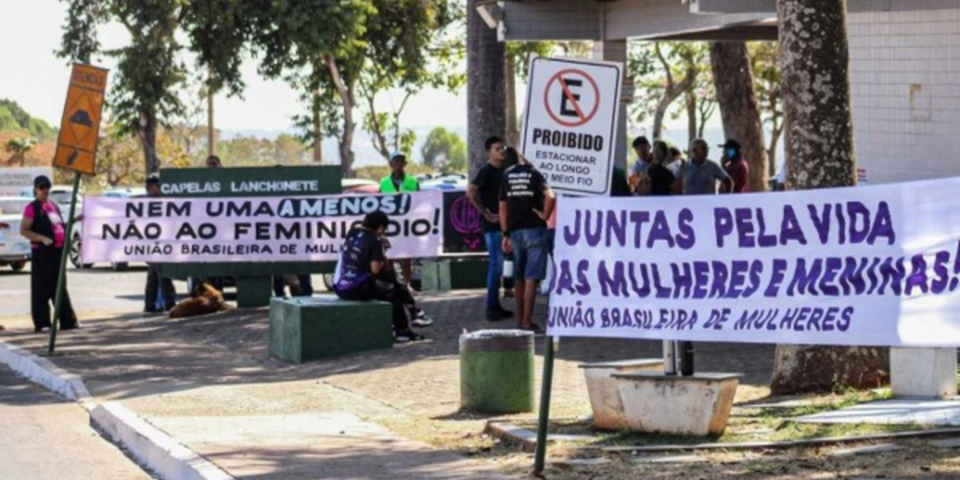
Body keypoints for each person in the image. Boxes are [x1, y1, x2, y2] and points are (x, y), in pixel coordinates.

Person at [332, 212, 427, 343]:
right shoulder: (374, 240)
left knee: (391, 283)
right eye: (384, 229)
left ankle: (413, 314)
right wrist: (383, 250)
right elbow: (375, 269)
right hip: (355, 288)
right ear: (381, 227)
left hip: (339, 286)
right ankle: (403, 329)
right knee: (393, 291)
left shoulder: (352, 232)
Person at [499, 159, 555, 334]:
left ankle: (518, 320)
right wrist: (545, 215)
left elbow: (502, 206)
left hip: (515, 231)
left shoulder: (508, 174)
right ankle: (527, 322)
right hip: (535, 229)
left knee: (519, 278)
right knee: (532, 277)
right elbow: (550, 195)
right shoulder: (536, 173)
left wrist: (505, 233)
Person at [19, 175, 78, 333]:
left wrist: (76, 219)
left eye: (47, 187)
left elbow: (60, 225)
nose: (45, 191)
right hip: (42, 253)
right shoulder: (32, 208)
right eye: (41, 187)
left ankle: (67, 321)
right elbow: (24, 230)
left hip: (57, 252)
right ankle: (43, 322)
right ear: (36, 189)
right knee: (41, 289)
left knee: (59, 287)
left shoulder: (53, 205)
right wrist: (41, 238)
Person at [467, 136, 514, 322]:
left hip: (506, 225)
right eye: (497, 148)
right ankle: (491, 307)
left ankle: (497, 304)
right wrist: (484, 212)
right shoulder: (486, 171)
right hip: (493, 226)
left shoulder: (505, 170)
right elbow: (471, 190)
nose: (501, 151)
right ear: (489, 151)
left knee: (507, 265)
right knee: (496, 265)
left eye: (503, 148)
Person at [378, 151, 419, 285]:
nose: (399, 164)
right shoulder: (383, 183)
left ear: (405, 164)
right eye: (396, 161)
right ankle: (393, 285)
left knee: (407, 256)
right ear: (391, 164)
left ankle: (407, 285)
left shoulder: (413, 181)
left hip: (407, 225)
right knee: (389, 256)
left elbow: (420, 201)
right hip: (390, 226)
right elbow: (379, 202)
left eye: (402, 161)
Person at [144, 174, 177, 313]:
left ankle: (150, 305)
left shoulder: (160, 200)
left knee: (154, 275)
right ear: (152, 187)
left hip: (160, 244)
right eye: (158, 186)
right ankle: (169, 303)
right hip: (153, 245)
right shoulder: (147, 203)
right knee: (163, 274)